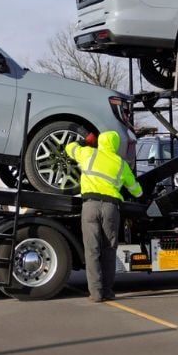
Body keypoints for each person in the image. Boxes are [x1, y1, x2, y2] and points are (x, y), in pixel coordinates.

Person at [65, 130, 142, 303]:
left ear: (100, 141)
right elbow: (137, 191)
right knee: (109, 250)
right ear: (115, 145)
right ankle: (107, 291)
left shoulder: (89, 154)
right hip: (110, 208)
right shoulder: (120, 164)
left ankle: (96, 293)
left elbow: (70, 148)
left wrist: (84, 142)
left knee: (92, 250)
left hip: (90, 206)